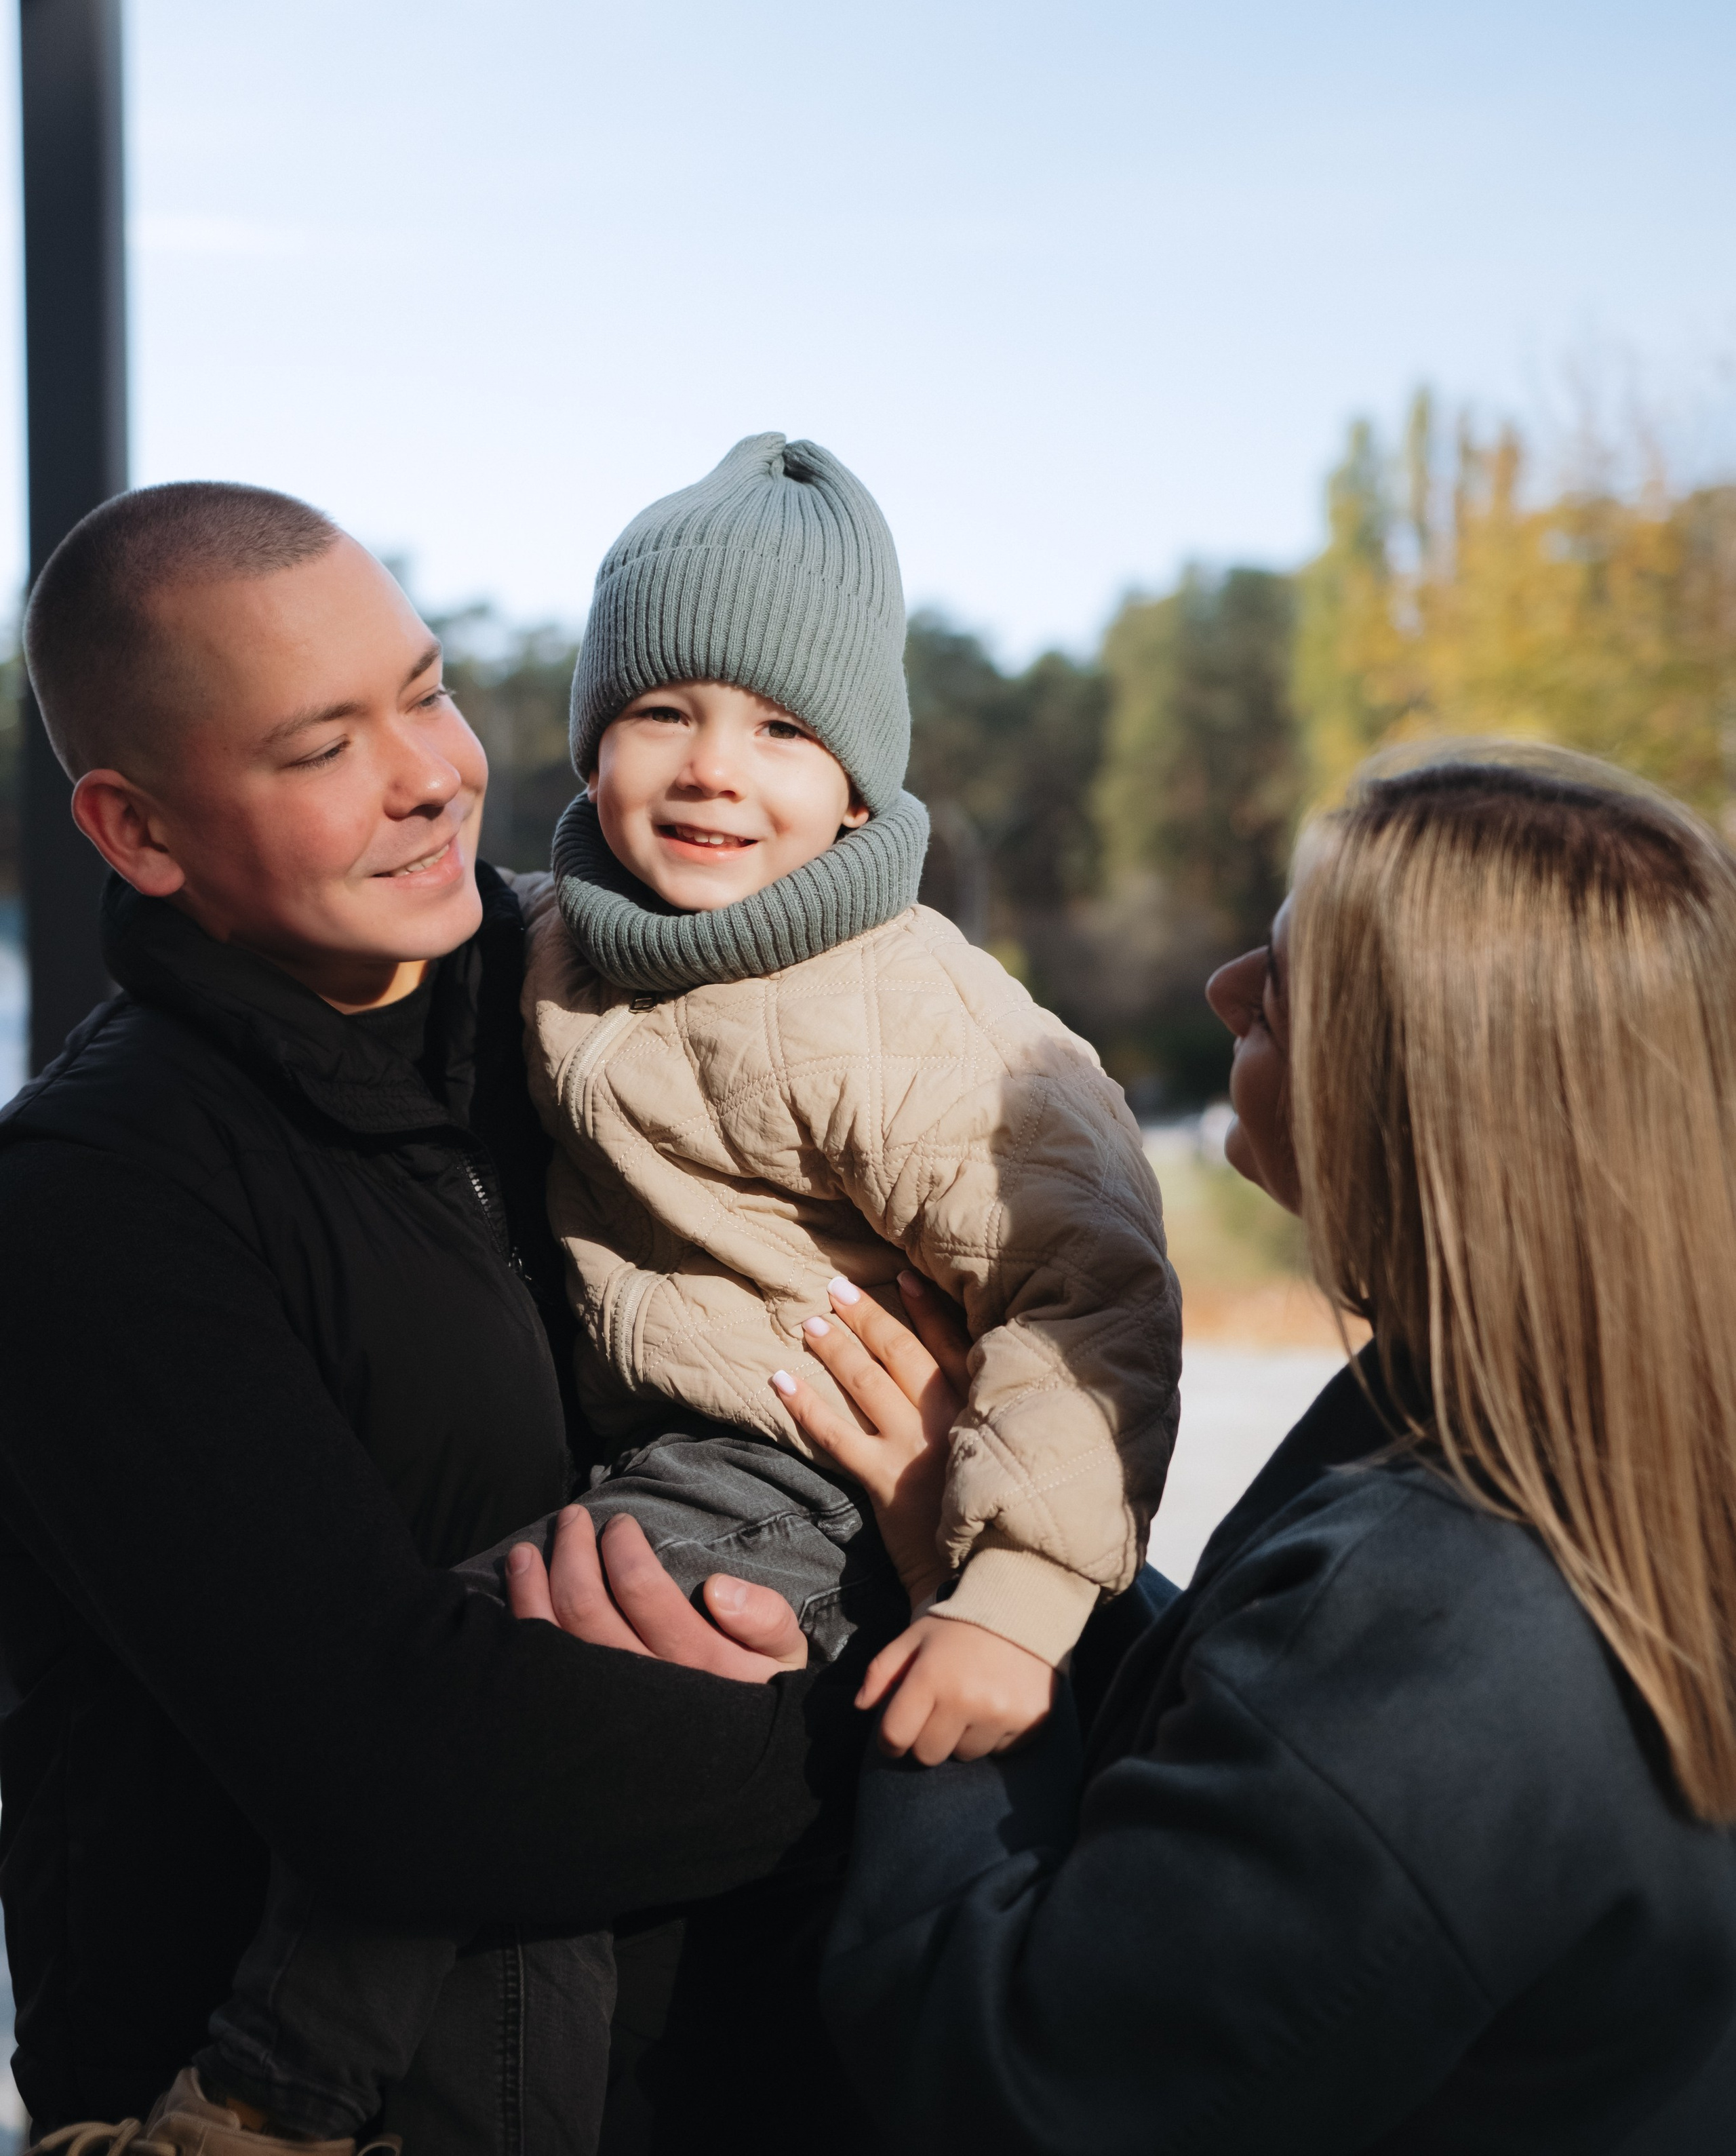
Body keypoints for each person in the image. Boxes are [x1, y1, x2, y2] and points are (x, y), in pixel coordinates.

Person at [187, 428, 1184, 2146]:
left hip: (790, 1463)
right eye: (664, 713)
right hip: (655, 1455)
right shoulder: (552, 939)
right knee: (533, 1823)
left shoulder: (912, 1015)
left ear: (862, 788)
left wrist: (1014, 1600)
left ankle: (264, 2102)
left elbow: (1092, 1297)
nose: (717, 768)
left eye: (784, 730)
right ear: (589, 735)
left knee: (465, 1715)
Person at [529, 747, 1736, 2146]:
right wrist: (984, 1542)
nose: (1223, 989)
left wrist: (949, 1638)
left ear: (1421, 1098)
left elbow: (1022, 2087)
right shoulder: (1559, 1440)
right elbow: (1254, 1718)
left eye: (1283, 988)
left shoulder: (1446, 1625)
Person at [0, 483, 854, 2156]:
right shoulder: (92, 1200)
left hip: (705, 2079)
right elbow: (398, 1786)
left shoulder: (602, 1023)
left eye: (428, 690)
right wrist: (831, 1739)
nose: (432, 774)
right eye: (324, 749)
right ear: (138, 831)